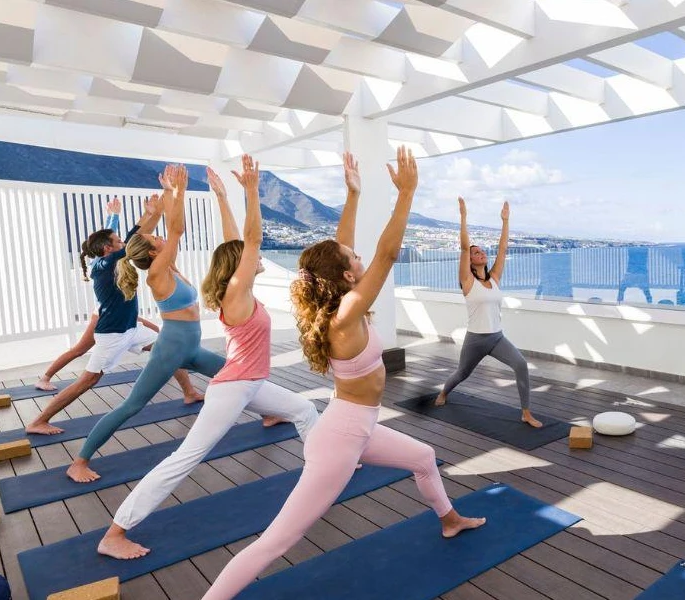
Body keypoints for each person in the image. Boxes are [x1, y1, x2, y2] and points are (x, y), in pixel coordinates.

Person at [201, 148, 485, 599]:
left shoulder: (338, 303)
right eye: (354, 257)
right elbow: (388, 255)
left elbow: (340, 245)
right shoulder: (345, 316)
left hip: (357, 426)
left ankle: (449, 520)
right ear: (348, 275)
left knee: (424, 457)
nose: (360, 256)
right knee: (276, 542)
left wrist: (352, 195)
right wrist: (406, 194)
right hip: (339, 440)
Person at [96, 155, 319, 559]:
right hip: (233, 388)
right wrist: (249, 190)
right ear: (240, 268)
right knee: (187, 457)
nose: (257, 258)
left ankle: (325, 469)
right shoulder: (237, 293)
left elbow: (235, 243)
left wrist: (221, 198)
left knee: (304, 409)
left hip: (251, 384)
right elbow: (249, 241)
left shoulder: (229, 284)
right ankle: (115, 531)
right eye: (250, 258)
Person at [68, 165, 281, 482]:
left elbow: (171, 230)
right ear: (155, 252)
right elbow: (177, 230)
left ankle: (269, 411)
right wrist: (179, 192)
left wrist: (168, 193)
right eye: (156, 237)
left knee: (236, 375)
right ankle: (80, 461)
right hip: (171, 348)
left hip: (190, 346)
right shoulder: (157, 274)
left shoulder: (170, 267)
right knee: (132, 406)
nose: (161, 236)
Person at [24, 196, 201, 436]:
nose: (121, 243)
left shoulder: (108, 259)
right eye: (117, 242)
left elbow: (128, 240)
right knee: (88, 381)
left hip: (130, 328)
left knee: (167, 349)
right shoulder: (105, 265)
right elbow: (133, 241)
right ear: (108, 249)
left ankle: (189, 392)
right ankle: (39, 420)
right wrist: (149, 216)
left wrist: (148, 215)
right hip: (112, 335)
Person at [432, 197, 540, 428]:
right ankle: (444, 392)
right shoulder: (467, 281)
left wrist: (505, 221)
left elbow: (503, 248)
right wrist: (463, 217)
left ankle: (526, 413)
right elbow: (463, 247)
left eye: (481, 251)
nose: (481, 253)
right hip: (476, 340)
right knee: (462, 374)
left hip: (497, 337)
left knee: (520, 364)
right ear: (470, 262)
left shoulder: (495, 278)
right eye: (476, 252)